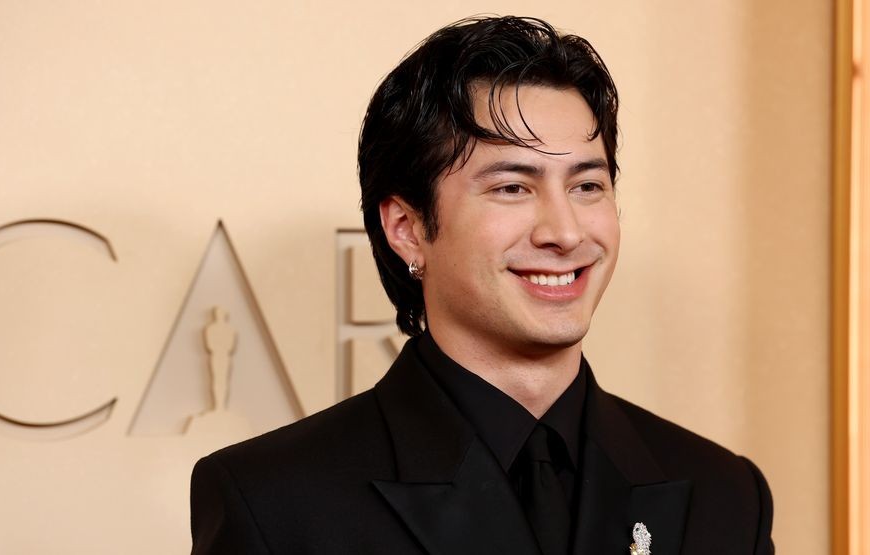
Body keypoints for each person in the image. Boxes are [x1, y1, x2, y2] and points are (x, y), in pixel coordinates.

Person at [190, 16, 774, 554]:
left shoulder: (725, 494)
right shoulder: (273, 502)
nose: (565, 232)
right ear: (408, 228)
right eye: (512, 188)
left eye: (587, 186)